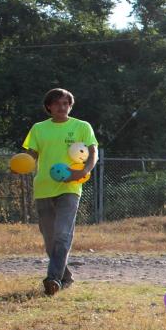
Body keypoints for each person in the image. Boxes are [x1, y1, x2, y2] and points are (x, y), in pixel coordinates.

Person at [22, 88, 98, 296]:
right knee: (50, 241)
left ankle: (52, 279)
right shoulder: (38, 128)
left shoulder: (82, 127)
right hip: (44, 188)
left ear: (70, 106)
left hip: (70, 187)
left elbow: (93, 152)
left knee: (63, 234)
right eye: (57, 103)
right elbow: (31, 155)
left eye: (66, 103)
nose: (62, 107)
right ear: (49, 107)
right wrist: (20, 165)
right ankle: (66, 277)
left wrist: (83, 171)